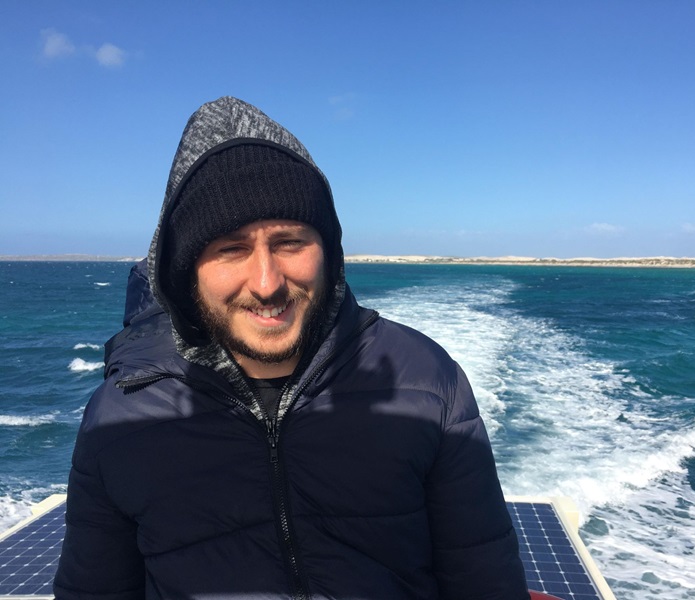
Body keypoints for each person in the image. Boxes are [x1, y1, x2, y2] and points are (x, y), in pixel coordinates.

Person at [54, 96, 528, 599]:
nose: (266, 283)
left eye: (290, 242)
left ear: (329, 252)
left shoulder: (428, 385)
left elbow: (484, 578)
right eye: (230, 248)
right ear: (185, 271)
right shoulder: (123, 417)